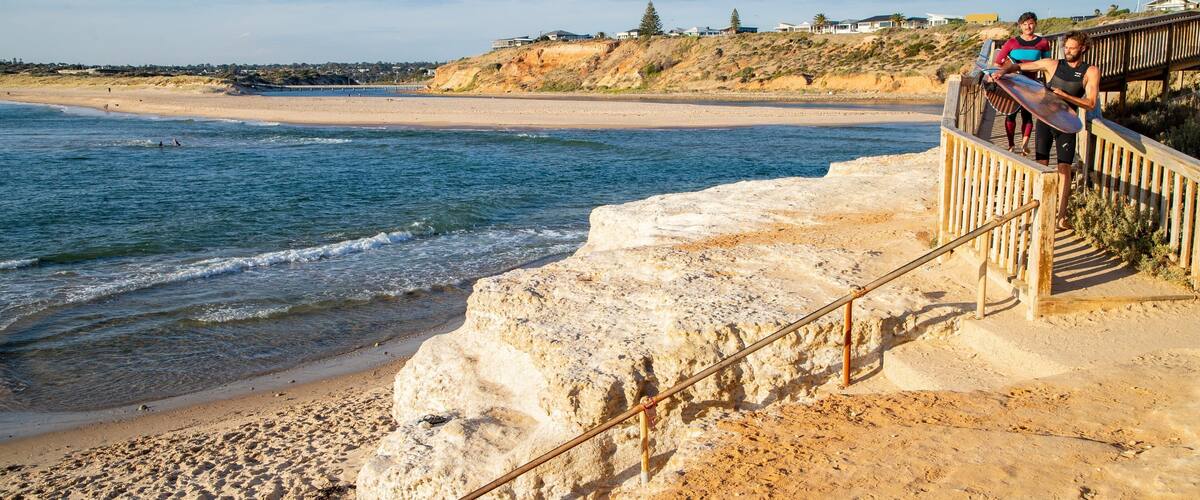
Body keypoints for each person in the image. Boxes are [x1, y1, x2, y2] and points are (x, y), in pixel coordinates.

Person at [993, 31, 1100, 231]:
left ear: (1083, 49)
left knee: (1064, 169)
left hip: (1067, 124)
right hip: (1044, 120)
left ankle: (1060, 216)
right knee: (1041, 166)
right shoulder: (1052, 64)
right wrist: (1002, 72)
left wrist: (1066, 96)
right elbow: (1020, 66)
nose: (1067, 51)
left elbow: (1091, 103)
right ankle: (1038, 212)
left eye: (1071, 48)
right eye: (1065, 47)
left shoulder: (1090, 71)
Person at [993, 12, 1051, 156]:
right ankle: (1011, 144)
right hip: (1012, 84)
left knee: (1027, 115)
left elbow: (1047, 65)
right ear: (1020, 26)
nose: (1028, 27)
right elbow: (997, 62)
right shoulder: (1012, 42)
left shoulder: (1043, 43)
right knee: (1011, 114)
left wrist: (1048, 85)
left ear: (1035, 24)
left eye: (1030, 23)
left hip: (1031, 84)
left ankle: (1024, 144)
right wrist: (1006, 69)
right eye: (1024, 24)